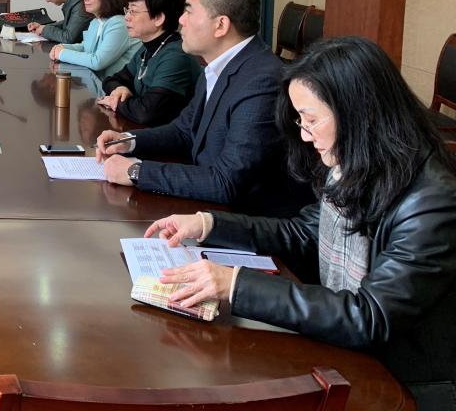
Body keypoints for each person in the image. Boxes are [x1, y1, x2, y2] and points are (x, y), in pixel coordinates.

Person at [146, 37, 456, 410]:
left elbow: (370, 316)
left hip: (404, 382)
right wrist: (209, 224)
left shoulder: (430, 201)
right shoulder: (355, 164)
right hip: (345, 351)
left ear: (360, 113)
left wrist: (236, 285)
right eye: (300, 121)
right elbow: (303, 232)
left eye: (311, 120)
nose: (306, 136)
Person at [95, 0, 310, 216]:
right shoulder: (219, 66)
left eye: (189, 12)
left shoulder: (262, 82)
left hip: (248, 223)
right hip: (210, 210)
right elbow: (184, 131)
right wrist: (127, 141)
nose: (180, 20)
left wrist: (136, 172)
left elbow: (226, 182)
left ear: (221, 25)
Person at [97, 0, 200, 126]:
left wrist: (115, 102)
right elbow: (111, 80)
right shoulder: (146, 49)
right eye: (127, 9)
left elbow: (146, 113)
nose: (127, 17)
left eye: (133, 11)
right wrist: (120, 89)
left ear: (158, 18)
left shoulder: (176, 56)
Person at [48, 0, 139, 79]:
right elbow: (85, 47)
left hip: (117, 86)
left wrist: (62, 54)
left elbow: (97, 61)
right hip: (98, 82)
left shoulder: (119, 24)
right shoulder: (96, 22)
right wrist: (62, 47)